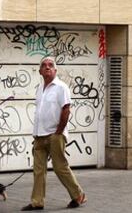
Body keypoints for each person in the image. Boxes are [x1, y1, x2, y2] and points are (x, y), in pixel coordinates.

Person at [21, 57, 87, 211]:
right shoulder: (39, 88)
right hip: (39, 136)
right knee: (38, 170)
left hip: (55, 135)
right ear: (40, 71)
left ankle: (78, 195)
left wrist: (58, 133)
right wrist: (36, 134)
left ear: (55, 70)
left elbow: (66, 109)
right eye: (44, 65)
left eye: (51, 65)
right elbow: (39, 112)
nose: (47, 67)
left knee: (60, 167)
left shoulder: (61, 87)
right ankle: (37, 202)